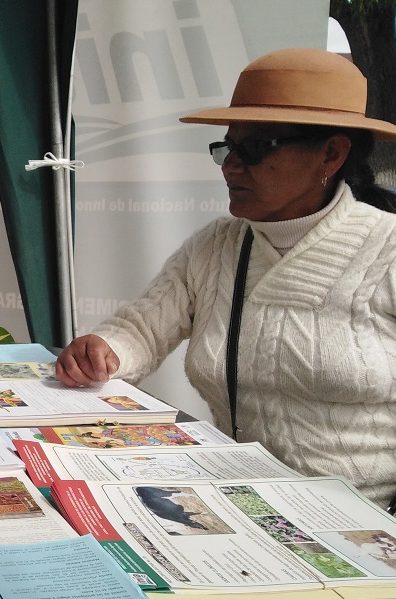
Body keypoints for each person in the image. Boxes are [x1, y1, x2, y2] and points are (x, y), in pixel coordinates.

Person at [55, 48, 396, 507]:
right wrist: (104, 351)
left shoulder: (386, 251)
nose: (232, 166)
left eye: (256, 148)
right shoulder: (218, 247)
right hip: (244, 499)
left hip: (367, 516)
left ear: (332, 154)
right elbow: (141, 330)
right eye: (229, 148)